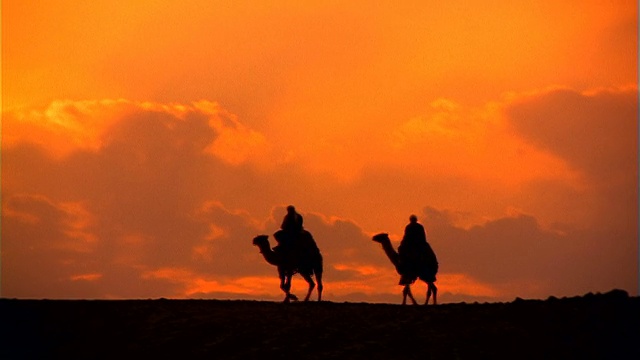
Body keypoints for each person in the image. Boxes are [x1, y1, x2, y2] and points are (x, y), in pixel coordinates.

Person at [398, 214, 438, 282]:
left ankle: (406, 273)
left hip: (416, 244)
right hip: (416, 243)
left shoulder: (412, 227)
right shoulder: (416, 227)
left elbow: (407, 236)